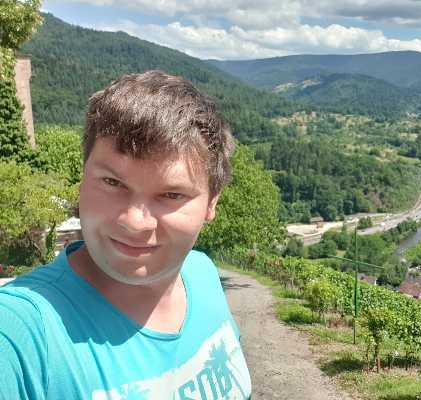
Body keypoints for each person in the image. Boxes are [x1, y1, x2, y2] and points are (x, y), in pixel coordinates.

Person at [0, 70, 252, 399]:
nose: (134, 222)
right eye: (112, 182)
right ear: (83, 179)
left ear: (211, 203)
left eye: (172, 195)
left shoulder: (202, 272)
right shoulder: (21, 334)